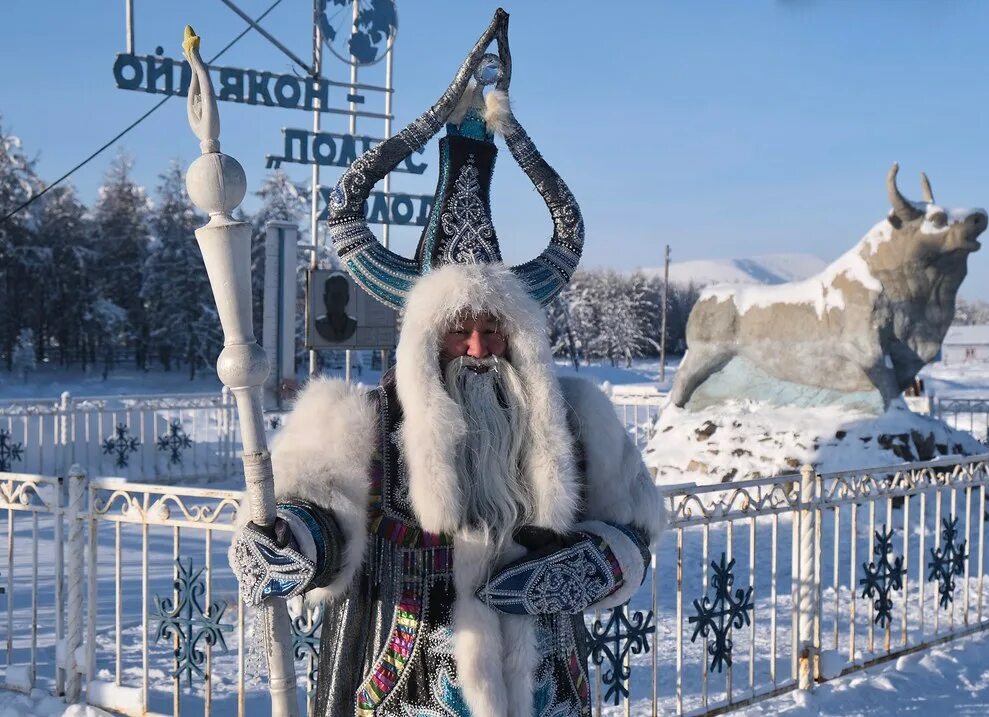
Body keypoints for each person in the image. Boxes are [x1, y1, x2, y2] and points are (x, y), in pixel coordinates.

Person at [229, 11, 664, 717]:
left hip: (545, 690)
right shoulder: (359, 426)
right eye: (457, 332)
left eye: (495, 329)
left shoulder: (578, 420)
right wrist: (291, 541)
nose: (478, 347)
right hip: (404, 692)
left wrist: (596, 562)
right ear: (421, 340)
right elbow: (320, 518)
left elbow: (635, 526)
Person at [314, 272, 359, 342]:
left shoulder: (353, 325)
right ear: (325, 299)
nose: (337, 300)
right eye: (333, 296)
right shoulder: (319, 325)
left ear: (347, 299)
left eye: (340, 295)